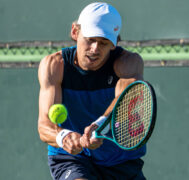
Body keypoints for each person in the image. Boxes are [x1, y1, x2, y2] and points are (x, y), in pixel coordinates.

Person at [37, 2, 146, 180]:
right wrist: (63, 137)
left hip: (120, 160)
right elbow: (44, 127)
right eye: (90, 39)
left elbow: (124, 102)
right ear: (75, 32)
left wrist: (100, 126)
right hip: (71, 159)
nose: (95, 49)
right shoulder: (54, 66)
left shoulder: (128, 63)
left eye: (103, 43)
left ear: (115, 43)